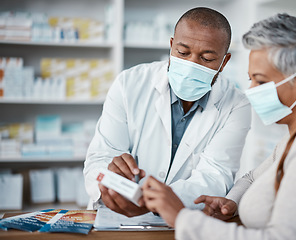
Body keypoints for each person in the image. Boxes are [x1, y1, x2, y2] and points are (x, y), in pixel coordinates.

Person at [141, 13, 296, 239]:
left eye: (260, 81)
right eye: (250, 79)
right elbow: (251, 179)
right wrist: (232, 203)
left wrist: (182, 218)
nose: (251, 90)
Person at [83, 7, 251, 216]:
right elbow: (100, 158)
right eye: (183, 53)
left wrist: (154, 200)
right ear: (172, 46)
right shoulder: (129, 83)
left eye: (206, 58)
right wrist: (109, 179)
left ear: (224, 62)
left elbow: (215, 177)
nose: (191, 65)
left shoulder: (237, 105)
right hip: (114, 218)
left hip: (180, 222)